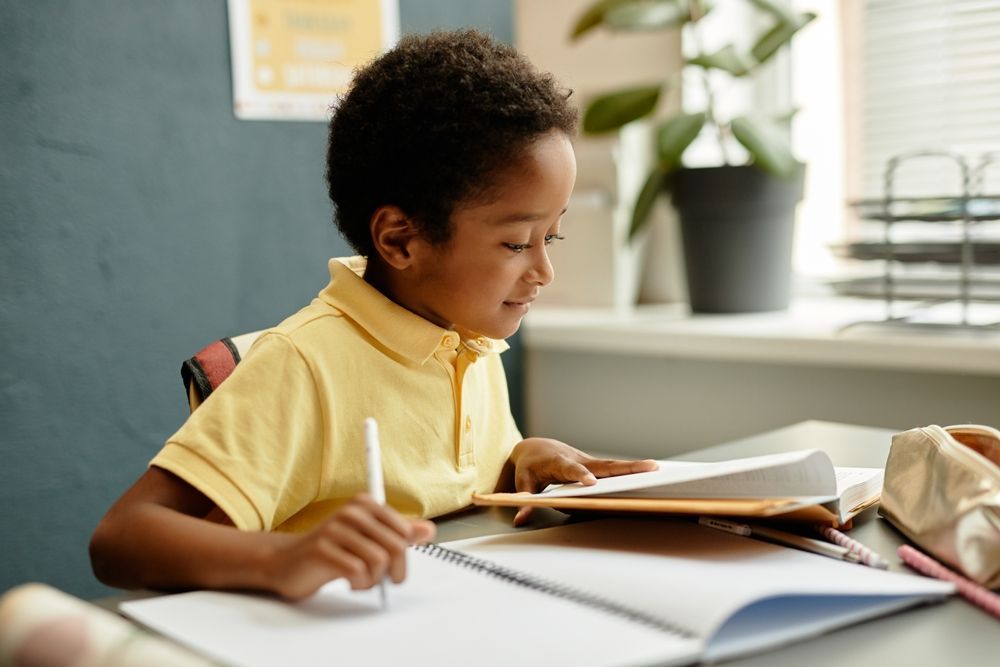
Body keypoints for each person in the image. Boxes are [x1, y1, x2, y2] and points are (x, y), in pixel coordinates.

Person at [89, 29, 657, 601]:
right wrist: (284, 556)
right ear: (400, 240)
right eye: (516, 244)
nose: (543, 271)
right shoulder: (302, 367)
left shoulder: (470, 341)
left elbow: (447, 489)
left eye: (549, 239)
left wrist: (519, 458)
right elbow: (120, 540)